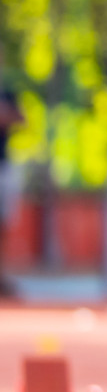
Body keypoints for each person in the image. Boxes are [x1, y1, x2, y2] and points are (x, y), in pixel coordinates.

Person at [0, 62, 20, 299]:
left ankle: (2, 276)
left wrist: (7, 115)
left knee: (4, 224)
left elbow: (22, 119)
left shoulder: (8, 92)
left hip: (4, 167)